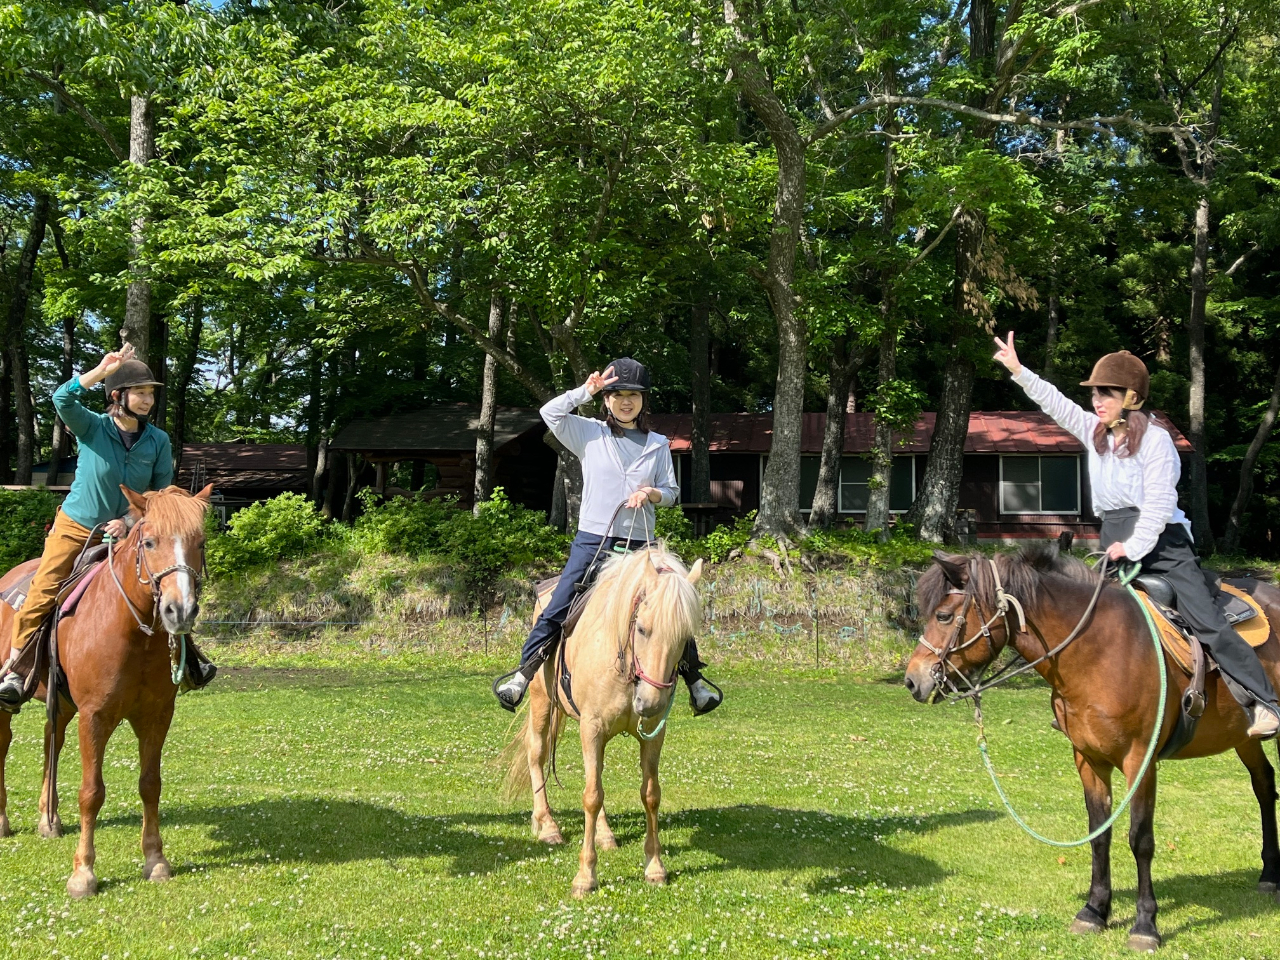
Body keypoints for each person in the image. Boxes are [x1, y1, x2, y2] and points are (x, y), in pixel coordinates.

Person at [994, 333, 1280, 739]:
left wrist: (1132, 547)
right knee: (1088, 620)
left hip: (1164, 546)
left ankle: (1266, 703)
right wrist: (1019, 371)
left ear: (1131, 397)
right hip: (1115, 540)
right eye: (1095, 393)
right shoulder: (1094, 431)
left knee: (1208, 622)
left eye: (1106, 393)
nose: (1096, 401)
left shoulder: (1157, 440)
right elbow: (1056, 403)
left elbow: (1159, 506)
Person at [493, 358, 722, 715]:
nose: (626, 402)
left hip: (642, 547)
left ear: (643, 401)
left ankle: (695, 681)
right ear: (607, 400)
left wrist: (652, 493)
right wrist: (585, 391)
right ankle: (523, 674)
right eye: (618, 395)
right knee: (560, 602)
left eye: (634, 395)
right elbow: (549, 413)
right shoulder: (588, 433)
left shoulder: (658, 444)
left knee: (670, 607)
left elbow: (672, 492)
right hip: (594, 540)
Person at [0, 345, 216, 712]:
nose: (147, 400)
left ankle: (188, 657)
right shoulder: (93, 427)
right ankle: (16, 669)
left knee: (166, 583)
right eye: (140, 392)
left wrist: (129, 521)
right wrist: (101, 371)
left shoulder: (158, 441)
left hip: (131, 533)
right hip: (77, 526)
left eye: (150, 394)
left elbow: (162, 498)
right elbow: (61, 398)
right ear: (118, 396)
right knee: (45, 586)